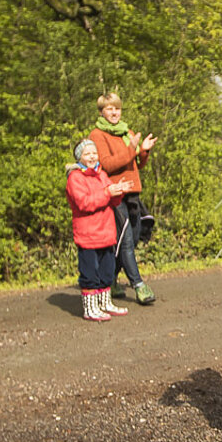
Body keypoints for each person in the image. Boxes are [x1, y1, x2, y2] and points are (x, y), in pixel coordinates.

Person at [89, 92, 159, 304]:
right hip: (115, 194)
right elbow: (107, 164)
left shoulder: (126, 132)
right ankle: (139, 285)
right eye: (110, 109)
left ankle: (109, 280)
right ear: (102, 112)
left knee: (133, 237)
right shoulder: (97, 135)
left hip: (133, 192)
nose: (114, 112)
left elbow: (136, 164)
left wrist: (143, 151)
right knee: (126, 240)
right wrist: (132, 150)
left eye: (117, 108)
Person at [65, 139, 130, 321]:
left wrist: (119, 191)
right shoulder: (75, 178)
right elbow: (84, 203)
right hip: (88, 234)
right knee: (89, 273)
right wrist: (108, 192)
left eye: (94, 153)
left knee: (107, 271)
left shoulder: (102, 174)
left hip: (106, 232)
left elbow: (112, 200)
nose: (92, 156)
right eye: (87, 153)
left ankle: (105, 303)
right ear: (79, 157)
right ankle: (90, 308)